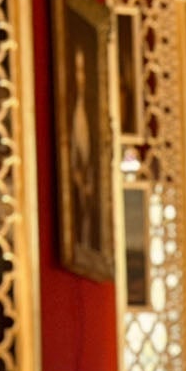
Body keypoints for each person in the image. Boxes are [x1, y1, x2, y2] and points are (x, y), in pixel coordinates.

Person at [69, 43, 99, 253]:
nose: (80, 77)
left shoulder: (91, 112)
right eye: (77, 71)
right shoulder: (71, 110)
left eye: (83, 71)